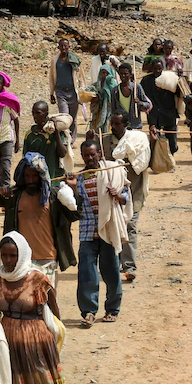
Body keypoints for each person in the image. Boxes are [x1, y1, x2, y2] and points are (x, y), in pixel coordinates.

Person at [0, 232, 74, 384]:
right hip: (8, 344)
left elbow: (54, 310)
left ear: (23, 255)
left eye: (13, 255)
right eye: (4, 255)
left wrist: (51, 340)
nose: (8, 260)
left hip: (36, 344)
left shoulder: (38, 278)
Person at [67, 140, 131, 327]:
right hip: (87, 232)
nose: (89, 158)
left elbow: (126, 195)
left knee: (111, 272)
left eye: (92, 154)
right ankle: (88, 312)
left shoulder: (111, 172)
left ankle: (112, 309)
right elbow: (73, 207)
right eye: (86, 155)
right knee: (87, 273)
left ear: (100, 153)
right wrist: (71, 187)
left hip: (108, 230)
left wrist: (117, 195)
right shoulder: (79, 178)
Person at [0, 152, 80, 286]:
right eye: (27, 176)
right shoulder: (15, 197)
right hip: (22, 260)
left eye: (34, 176)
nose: (31, 180)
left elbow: (74, 214)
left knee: (47, 302)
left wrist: (73, 189)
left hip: (47, 260)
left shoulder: (53, 197)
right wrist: (3, 191)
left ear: (41, 176)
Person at [101, 112, 151, 283]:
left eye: (117, 124)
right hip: (112, 193)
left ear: (126, 124)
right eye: (111, 124)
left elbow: (146, 162)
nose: (113, 127)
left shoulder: (138, 142)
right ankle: (116, 264)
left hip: (134, 192)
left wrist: (156, 140)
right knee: (114, 226)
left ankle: (129, 266)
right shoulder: (106, 142)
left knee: (130, 225)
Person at [141, 58, 180, 155]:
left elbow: (180, 93)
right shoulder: (146, 81)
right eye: (155, 69)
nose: (157, 71)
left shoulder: (170, 79)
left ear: (163, 68)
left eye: (159, 69)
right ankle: (154, 160)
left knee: (172, 139)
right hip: (154, 114)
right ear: (151, 68)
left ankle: (171, 158)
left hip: (169, 113)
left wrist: (180, 78)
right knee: (154, 139)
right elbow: (140, 93)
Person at [22, 101, 69, 180]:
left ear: (46, 114)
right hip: (38, 180)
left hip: (55, 178)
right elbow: (27, 159)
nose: (35, 116)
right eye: (33, 113)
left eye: (38, 113)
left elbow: (63, 153)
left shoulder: (56, 132)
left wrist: (56, 133)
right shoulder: (30, 135)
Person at [48, 39, 84, 141]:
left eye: (65, 46)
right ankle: (64, 139)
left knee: (73, 118)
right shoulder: (55, 60)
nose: (64, 48)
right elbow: (51, 77)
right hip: (60, 92)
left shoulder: (74, 59)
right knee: (64, 117)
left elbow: (80, 76)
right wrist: (51, 93)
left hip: (73, 92)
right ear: (58, 47)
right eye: (61, 46)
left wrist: (82, 92)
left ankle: (72, 140)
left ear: (69, 47)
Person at [111, 63, 152, 130]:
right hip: (121, 127)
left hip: (135, 125)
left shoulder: (137, 87)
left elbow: (148, 105)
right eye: (121, 74)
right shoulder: (115, 91)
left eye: (125, 74)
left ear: (130, 75)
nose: (123, 76)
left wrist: (140, 103)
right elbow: (113, 110)